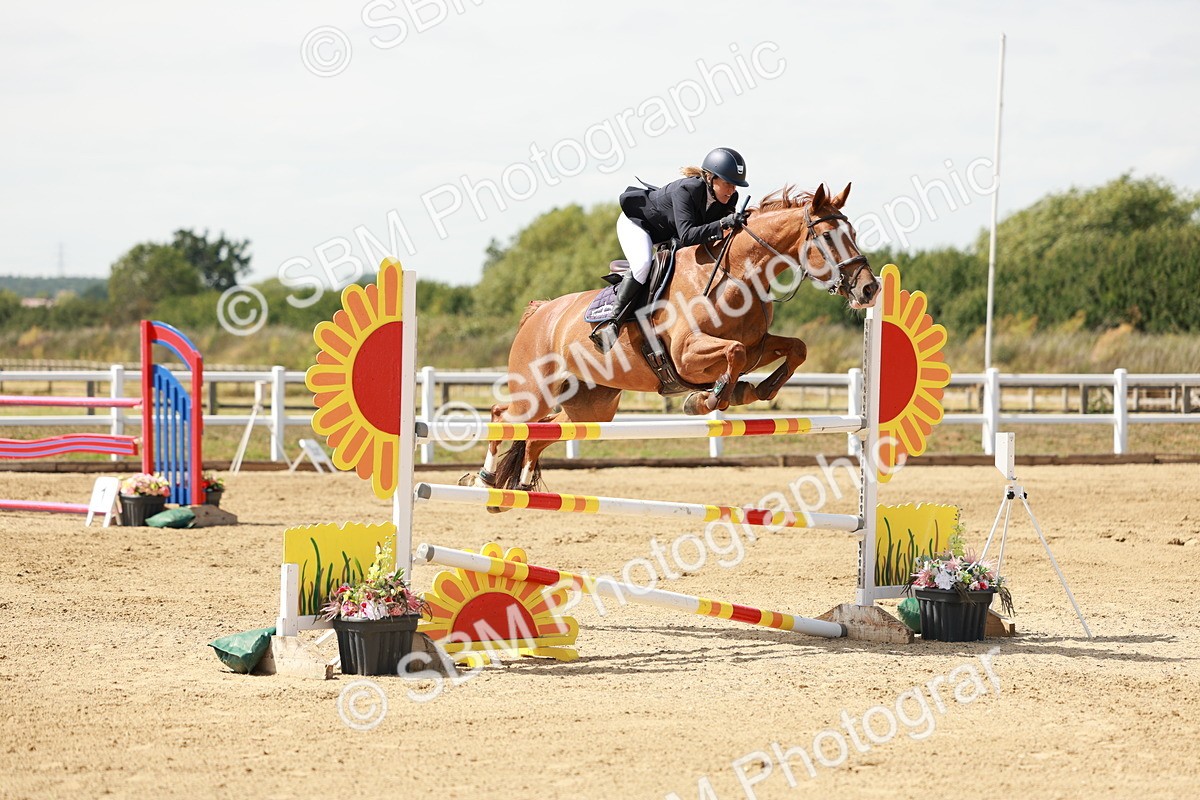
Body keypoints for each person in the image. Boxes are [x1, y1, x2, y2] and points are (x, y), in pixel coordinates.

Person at [589, 147, 752, 353]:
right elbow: (687, 235)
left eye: (736, 185)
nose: (732, 190)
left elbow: (716, 234)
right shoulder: (687, 190)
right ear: (710, 178)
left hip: (667, 234)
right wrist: (723, 223)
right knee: (642, 265)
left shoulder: (729, 199)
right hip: (638, 224)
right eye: (728, 183)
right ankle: (612, 324)